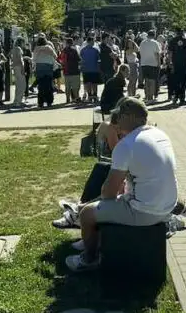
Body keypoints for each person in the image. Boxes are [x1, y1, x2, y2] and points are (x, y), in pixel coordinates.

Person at [67, 98, 178, 272]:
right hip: (167, 207)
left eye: (119, 116)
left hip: (145, 212)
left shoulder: (126, 145)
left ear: (128, 117)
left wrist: (94, 203)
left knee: (87, 214)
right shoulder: (160, 135)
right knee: (104, 202)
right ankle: (92, 239)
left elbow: (108, 193)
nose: (116, 122)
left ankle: (90, 259)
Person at [32, 37, 57, 109]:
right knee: (49, 85)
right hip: (48, 66)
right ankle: (49, 101)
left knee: (41, 85)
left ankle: (40, 102)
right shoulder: (49, 47)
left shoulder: (36, 48)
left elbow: (34, 59)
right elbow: (55, 56)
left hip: (39, 67)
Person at [138, 30, 162, 104]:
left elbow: (140, 53)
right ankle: (151, 98)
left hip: (144, 64)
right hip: (153, 64)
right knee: (152, 82)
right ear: (154, 35)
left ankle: (147, 97)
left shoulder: (142, 43)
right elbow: (157, 54)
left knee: (147, 81)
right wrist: (159, 64)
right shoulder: (155, 43)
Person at [168, 29, 186, 106]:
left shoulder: (172, 41)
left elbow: (170, 53)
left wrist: (170, 63)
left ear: (176, 32)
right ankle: (182, 98)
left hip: (175, 64)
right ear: (183, 32)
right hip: (184, 64)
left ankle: (176, 97)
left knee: (176, 81)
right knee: (184, 82)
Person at [80, 35, 102, 104]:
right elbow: (99, 59)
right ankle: (92, 96)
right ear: (89, 41)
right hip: (92, 69)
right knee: (92, 83)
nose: (93, 42)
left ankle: (92, 96)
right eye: (92, 41)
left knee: (91, 83)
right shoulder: (95, 50)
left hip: (89, 69)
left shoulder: (83, 50)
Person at [63, 38, 82, 104]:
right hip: (74, 71)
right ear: (72, 42)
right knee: (75, 87)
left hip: (66, 71)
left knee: (67, 86)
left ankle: (67, 99)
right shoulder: (74, 50)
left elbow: (61, 59)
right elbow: (79, 59)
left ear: (66, 43)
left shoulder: (64, 50)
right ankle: (76, 98)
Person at [10, 38, 27, 106]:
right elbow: (20, 59)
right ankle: (19, 101)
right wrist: (23, 68)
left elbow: (10, 56)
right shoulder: (19, 49)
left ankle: (16, 100)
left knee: (18, 84)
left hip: (15, 67)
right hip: (19, 67)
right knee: (22, 84)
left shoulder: (13, 49)